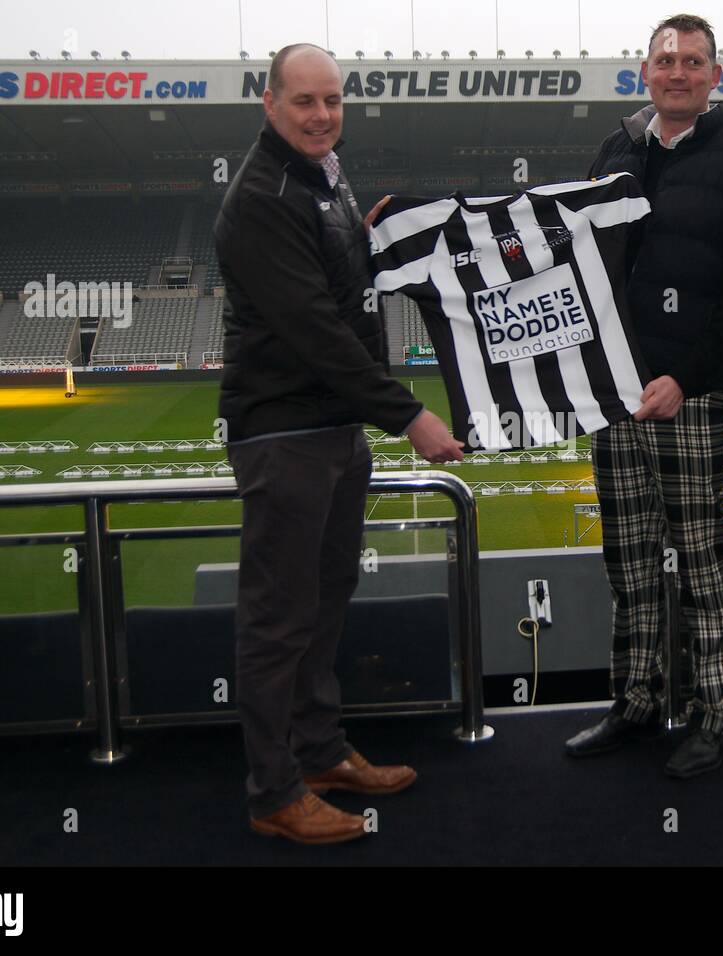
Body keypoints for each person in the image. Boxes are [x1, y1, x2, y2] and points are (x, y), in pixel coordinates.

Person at [216, 43, 463, 845]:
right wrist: (411, 417)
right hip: (285, 432)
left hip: (331, 430)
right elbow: (317, 331)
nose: (322, 116)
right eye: (304, 102)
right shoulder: (261, 195)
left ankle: (319, 753)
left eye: (333, 101)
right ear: (269, 103)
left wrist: (372, 230)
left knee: (323, 607)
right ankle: (273, 792)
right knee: (278, 620)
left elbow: (340, 280)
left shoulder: (322, 176)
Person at [564, 14, 723, 778]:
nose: (678, 71)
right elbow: (587, 266)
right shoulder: (614, 151)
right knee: (627, 559)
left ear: (716, 75)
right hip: (617, 395)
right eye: (665, 59)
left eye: (693, 60)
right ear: (643, 72)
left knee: (699, 557)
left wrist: (684, 378)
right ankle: (637, 699)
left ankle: (715, 712)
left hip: (691, 395)